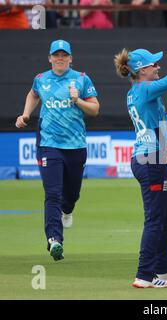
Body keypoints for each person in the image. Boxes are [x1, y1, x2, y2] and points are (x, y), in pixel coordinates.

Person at [15, 40, 100, 261]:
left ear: (71, 58)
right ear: (50, 58)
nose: (60, 58)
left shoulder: (82, 79)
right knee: (52, 193)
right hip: (48, 144)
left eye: (64, 55)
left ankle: (68, 209)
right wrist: (25, 115)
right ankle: (54, 240)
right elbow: (33, 94)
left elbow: (95, 109)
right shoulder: (41, 79)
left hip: (76, 145)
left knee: (71, 194)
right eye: (56, 55)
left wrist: (77, 100)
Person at [114, 48, 167, 288]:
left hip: (149, 159)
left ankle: (161, 267)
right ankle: (144, 274)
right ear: (142, 69)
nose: (158, 67)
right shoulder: (144, 89)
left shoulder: (138, 92)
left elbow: (160, 122)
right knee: (155, 219)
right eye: (154, 64)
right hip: (150, 160)